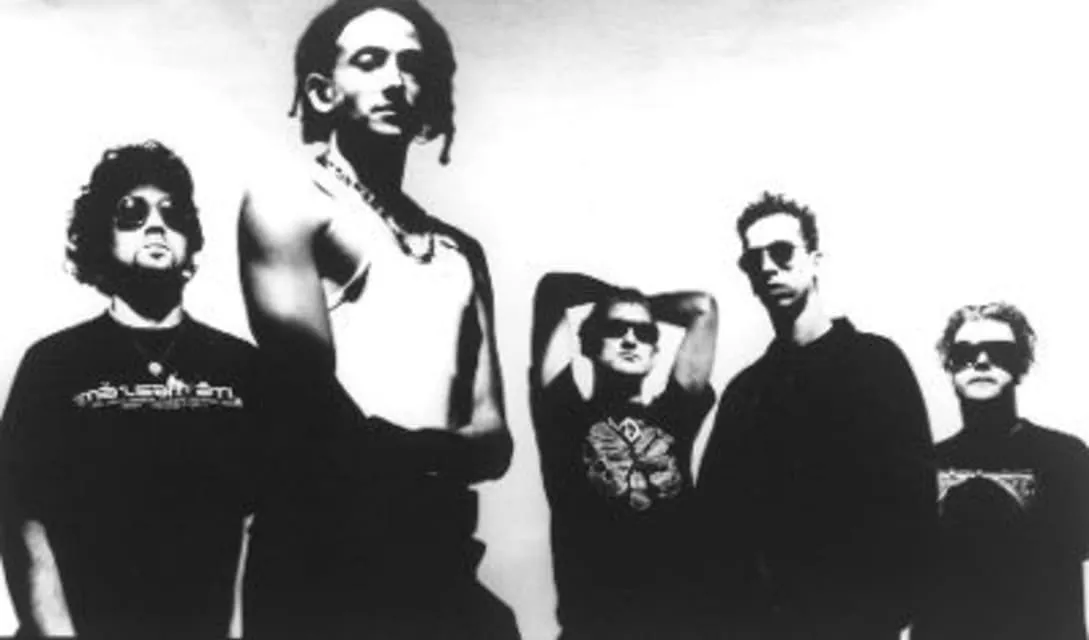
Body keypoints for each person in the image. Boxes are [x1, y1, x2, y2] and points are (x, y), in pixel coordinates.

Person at [237, 0, 517, 637]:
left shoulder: (461, 252)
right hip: (324, 549)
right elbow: (308, 394)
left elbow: (495, 438)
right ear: (323, 91)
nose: (395, 80)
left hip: (438, 547)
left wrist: (421, 459)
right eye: (369, 61)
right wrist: (436, 456)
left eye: (412, 66)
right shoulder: (291, 199)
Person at [0, 141, 258, 639]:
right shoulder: (54, 363)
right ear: (101, 236)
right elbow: (21, 514)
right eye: (132, 214)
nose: (156, 226)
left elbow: (256, 519)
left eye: (172, 214)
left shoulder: (241, 365)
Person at [697, 192, 937, 639]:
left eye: (782, 252)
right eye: (753, 260)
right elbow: (716, 524)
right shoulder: (746, 392)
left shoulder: (875, 363)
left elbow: (915, 501)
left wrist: (892, 613)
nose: (768, 267)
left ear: (815, 260)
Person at [529, 273, 718, 640]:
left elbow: (702, 308)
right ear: (587, 343)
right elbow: (553, 290)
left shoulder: (675, 416)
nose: (631, 340)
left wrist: (637, 303)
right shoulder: (564, 415)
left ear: (654, 354)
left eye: (644, 333)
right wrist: (620, 298)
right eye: (615, 329)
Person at [912, 303, 1089, 640]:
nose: (981, 361)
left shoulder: (1065, 458)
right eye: (964, 354)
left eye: (999, 352)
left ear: (1021, 365)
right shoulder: (922, 466)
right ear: (950, 367)